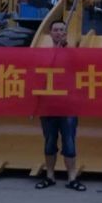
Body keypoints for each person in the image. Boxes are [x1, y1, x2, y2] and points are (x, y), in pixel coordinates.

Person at [34, 21, 86, 192]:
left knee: (69, 143)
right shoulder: (43, 55)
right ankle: (50, 176)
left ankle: (72, 178)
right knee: (49, 143)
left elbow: (82, 69)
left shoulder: (73, 54)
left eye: (62, 30)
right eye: (55, 30)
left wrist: (65, 49)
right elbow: (36, 75)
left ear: (66, 33)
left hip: (68, 106)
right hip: (48, 106)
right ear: (50, 33)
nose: (58, 32)